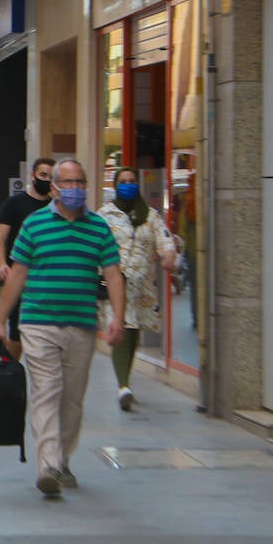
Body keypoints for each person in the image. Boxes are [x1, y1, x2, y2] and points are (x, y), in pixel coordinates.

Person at [0, 158, 125, 497]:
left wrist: (118, 318)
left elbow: (112, 274)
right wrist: (0, 321)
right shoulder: (35, 224)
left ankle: (63, 458)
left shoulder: (98, 228)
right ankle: (48, 465)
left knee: (73, 398)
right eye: (68, 183)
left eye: (81, 182)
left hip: (81, 325)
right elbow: (18, 273)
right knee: (47, 392)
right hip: (38, 323)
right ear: (54, 188)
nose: (76, 189)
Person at [97, 167, 179, 411]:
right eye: (123, 181)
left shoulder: (150, 216)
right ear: (115, 185)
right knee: (120, 328)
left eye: (132, 181)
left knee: (132, 333)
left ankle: (126, 381)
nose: (128, 185)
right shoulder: (105, 215)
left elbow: (165, 242)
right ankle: (123, 386)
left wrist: (168, 256)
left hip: (141, 288)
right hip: (114, 284)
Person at [0, 157, 56, 358]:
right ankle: (13, 371)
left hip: (47, 280)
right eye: (43, 175)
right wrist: (2, 263)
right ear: (32, 176)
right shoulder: (14, 203)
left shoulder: (58, 208)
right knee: (17, 332)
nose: (47, 180)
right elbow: (0, 237)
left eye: (51, 177)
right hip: (19, 277)